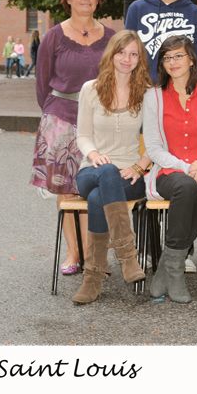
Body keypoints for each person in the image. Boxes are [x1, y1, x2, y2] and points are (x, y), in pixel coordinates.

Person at [32, 0, 115, 276]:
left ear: (97, 0)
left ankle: (95, 254)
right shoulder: (54, 36)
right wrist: (55, 113)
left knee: (96, 189)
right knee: (66, 190)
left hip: (100, 121)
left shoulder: (110, 37)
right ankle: (73, 253)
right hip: (61, 121)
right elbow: (42, 84)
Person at [143, 35, 197, 303]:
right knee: (185, 186)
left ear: (191, 59)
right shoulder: (154, 97)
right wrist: (186, 166)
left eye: (179, 55)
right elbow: (153, 147)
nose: (173, 62)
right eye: (167, 57)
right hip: (170, 171)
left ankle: (168, 265)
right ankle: (176, 270)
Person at [72, 30, 153, 304]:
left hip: (130, 175)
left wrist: (140, 166)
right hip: (91, 170)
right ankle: (127, 257)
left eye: (133, 54)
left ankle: (93, 277)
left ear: (140, 59)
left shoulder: (147, 93)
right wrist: (94, 153)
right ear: (111, 54)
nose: (127, 59)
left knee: (99, 198)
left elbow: (156, 141)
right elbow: (83, 135)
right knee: (106, 172)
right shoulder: (90, 89)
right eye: (121, 52)